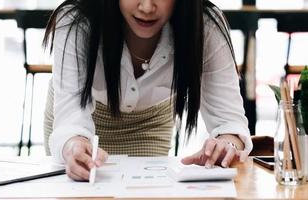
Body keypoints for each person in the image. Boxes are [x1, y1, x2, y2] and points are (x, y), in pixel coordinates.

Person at [42, 0, 253, 181]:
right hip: (76, 129)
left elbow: (230, 122)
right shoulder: (76, 22)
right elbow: (70, 121)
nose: (146, 7)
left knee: (145, 190)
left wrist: (226, 145)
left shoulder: (206, 26)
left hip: (149, 124)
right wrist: (73, 145)